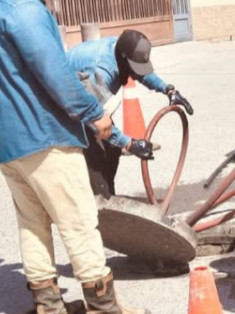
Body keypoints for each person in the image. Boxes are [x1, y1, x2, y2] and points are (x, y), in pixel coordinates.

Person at [0, 0, 153, 314]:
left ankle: (49, 310)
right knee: (78, 219)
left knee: (32, 223)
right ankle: (103, 310)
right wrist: (94, 115)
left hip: (7, 143)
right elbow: (56, 74)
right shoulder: (23, 9)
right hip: (43, 136)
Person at [67, 31, 193, 197]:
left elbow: (141, 71)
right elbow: (93, 117)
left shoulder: (120, 48)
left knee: (112, 150)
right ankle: (100, 201)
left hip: (89, 101)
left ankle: (108, 196)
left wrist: (168, 90)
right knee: (96, 159)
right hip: (71, 107)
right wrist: (129, 143)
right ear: (123, 57)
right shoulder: (101, 70)